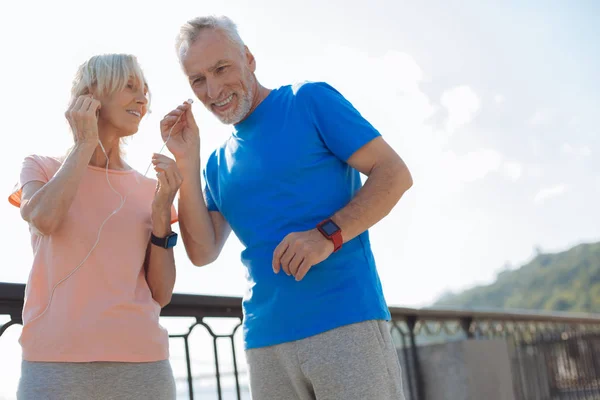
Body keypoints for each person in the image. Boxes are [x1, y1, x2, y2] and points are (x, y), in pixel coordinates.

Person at [161, 15, 413, 400]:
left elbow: (394, 174)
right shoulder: (215, 163)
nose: (212, 89)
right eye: (198, 80)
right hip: (265, 342)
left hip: (345, 323)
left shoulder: (309, 101)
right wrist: (186, 160)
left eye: (221, 68)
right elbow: (201, 251)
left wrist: (326, 235)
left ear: (248, 58)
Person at [9, 53, 181, 400]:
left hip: (143, 364)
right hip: (53, 364)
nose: (142, 98)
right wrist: (84, 143)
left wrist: (162, 217)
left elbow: (161, 294)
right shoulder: (40, 167)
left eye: (144, 90)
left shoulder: (150, 188)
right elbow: (44, 218)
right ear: (90, 96)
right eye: (129, 86)